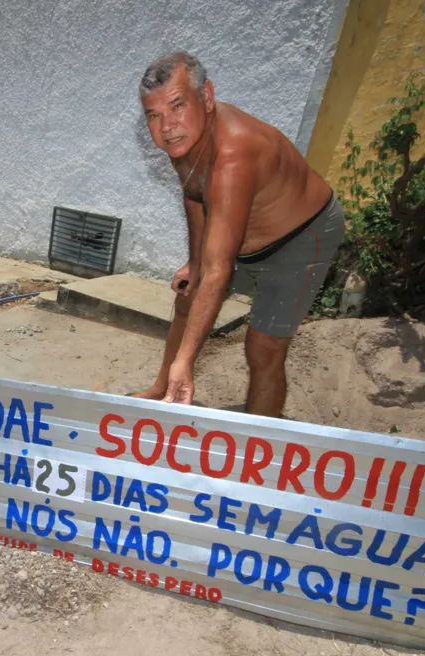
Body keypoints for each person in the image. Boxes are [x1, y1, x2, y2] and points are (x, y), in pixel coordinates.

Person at [133, 51, 344, 417]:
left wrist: (188, 358)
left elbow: (221, 270)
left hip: (300, 236)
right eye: (154, 115)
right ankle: (160, 390)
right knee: (188, 295)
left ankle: (257, 438)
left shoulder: (234, 154)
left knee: (263, 347)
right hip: (240, 232)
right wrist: (194, 263)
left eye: (177, 106)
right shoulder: (182, 137)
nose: (166, 126)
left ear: (207, 98)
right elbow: (194, 192)